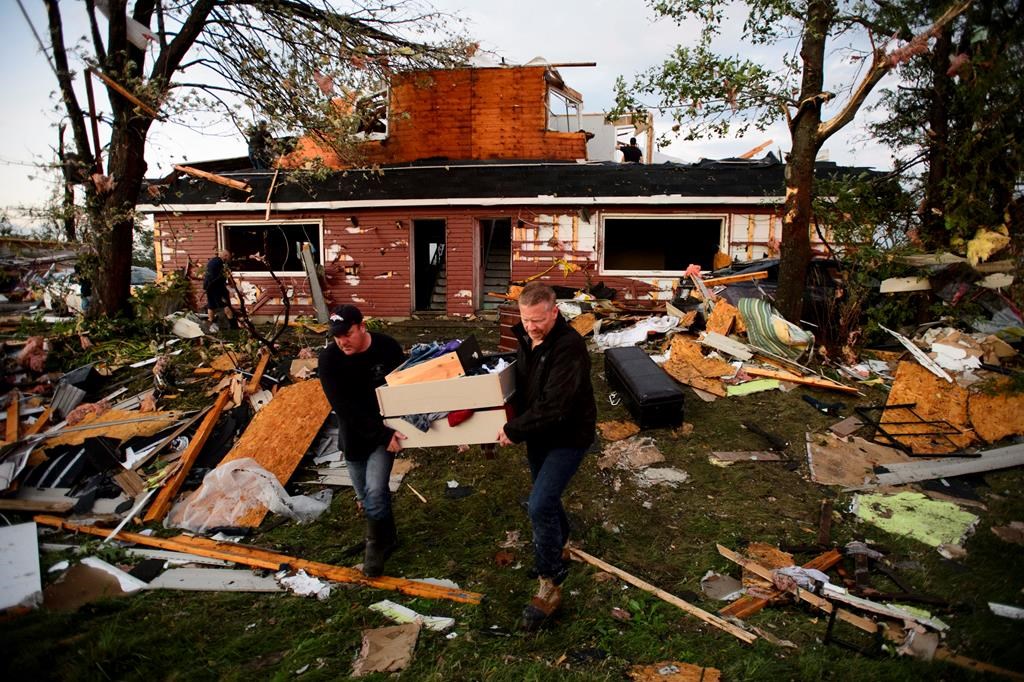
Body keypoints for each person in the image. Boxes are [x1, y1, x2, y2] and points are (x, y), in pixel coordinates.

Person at [497, 281, 597, 630]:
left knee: (539, 503)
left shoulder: (569, 347)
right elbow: (522, 387)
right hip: (540, 434)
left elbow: (557, 405)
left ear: (555, 312)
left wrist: (513, 430)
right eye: (526, 320)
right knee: (547, 496)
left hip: (568, 436)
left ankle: (549, 582)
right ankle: (562, 548)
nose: (532, 327)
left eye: (538, 320)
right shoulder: (526, 339)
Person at [319, 304, 407, 577]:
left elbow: (405, 388)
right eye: (337, 336)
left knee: (375, 490)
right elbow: (343, 407)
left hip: (385, 433)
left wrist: (389, 433)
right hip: (354, 434)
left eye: (347, 333)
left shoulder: (387, 348)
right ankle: (388, 537)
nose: (342, 341)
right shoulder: (329, 359)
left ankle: (375, 548)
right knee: (364, 496)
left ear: (362, 326)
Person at [202, 249, 233, 333]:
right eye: (228, 257)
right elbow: (219, 277)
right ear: (225, 256)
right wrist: (225, 284)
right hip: (216, 288)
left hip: (209, 287)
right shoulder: (219, 263)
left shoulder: (212, 261)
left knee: (211, 305)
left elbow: (209, 276)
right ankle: (233, 326)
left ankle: (210, 323)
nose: (228, 259)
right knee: (225, 305)